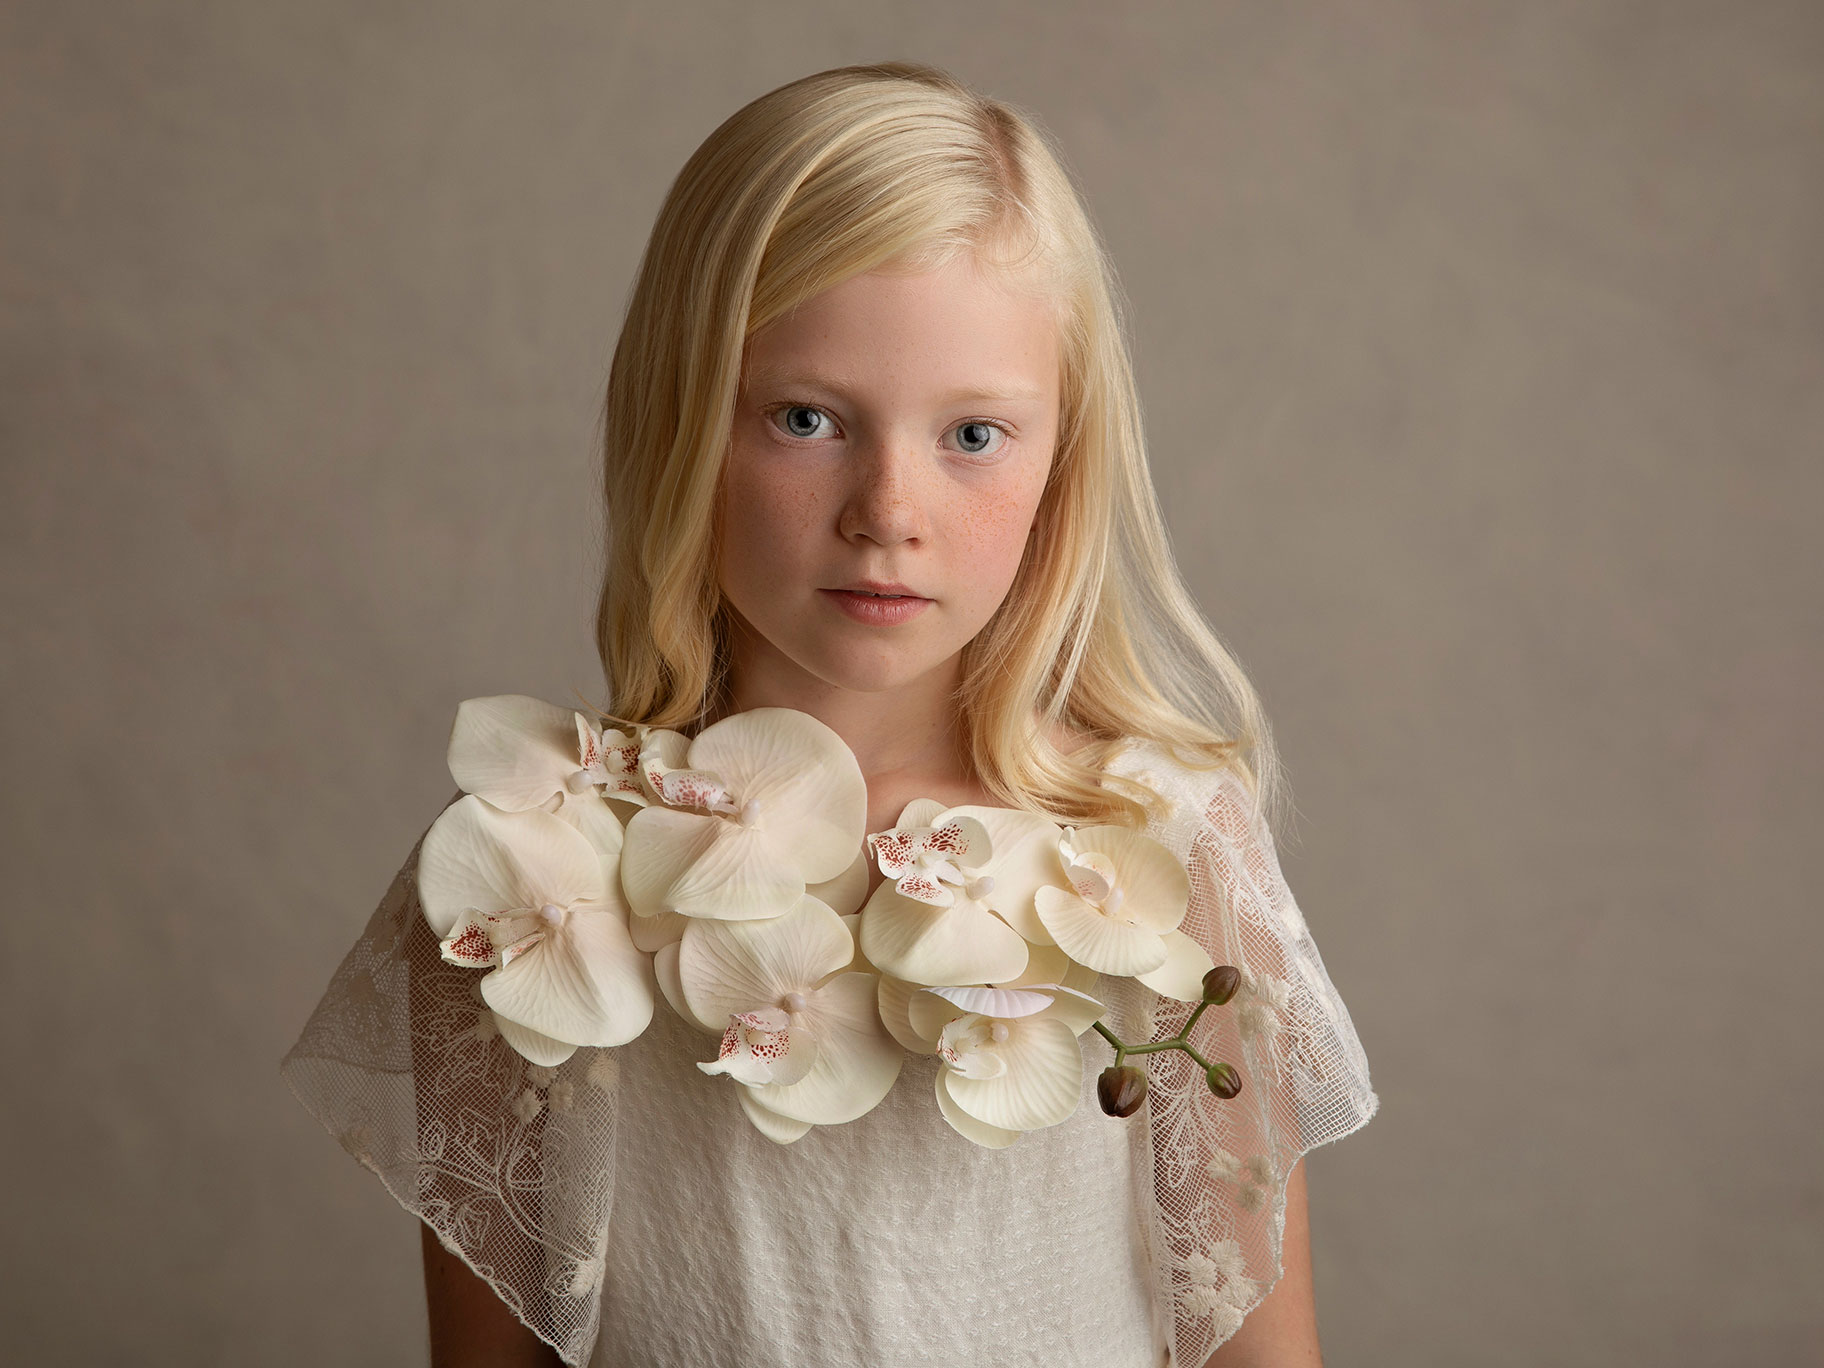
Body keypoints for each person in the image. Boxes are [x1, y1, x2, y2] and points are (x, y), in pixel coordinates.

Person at [283, 61, 1378, 1368]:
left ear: (1063, 461)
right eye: (806, 419)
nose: (888, 511)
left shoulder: (1162, 852)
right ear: (683, 423)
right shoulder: (533, 880)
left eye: (973, 435)